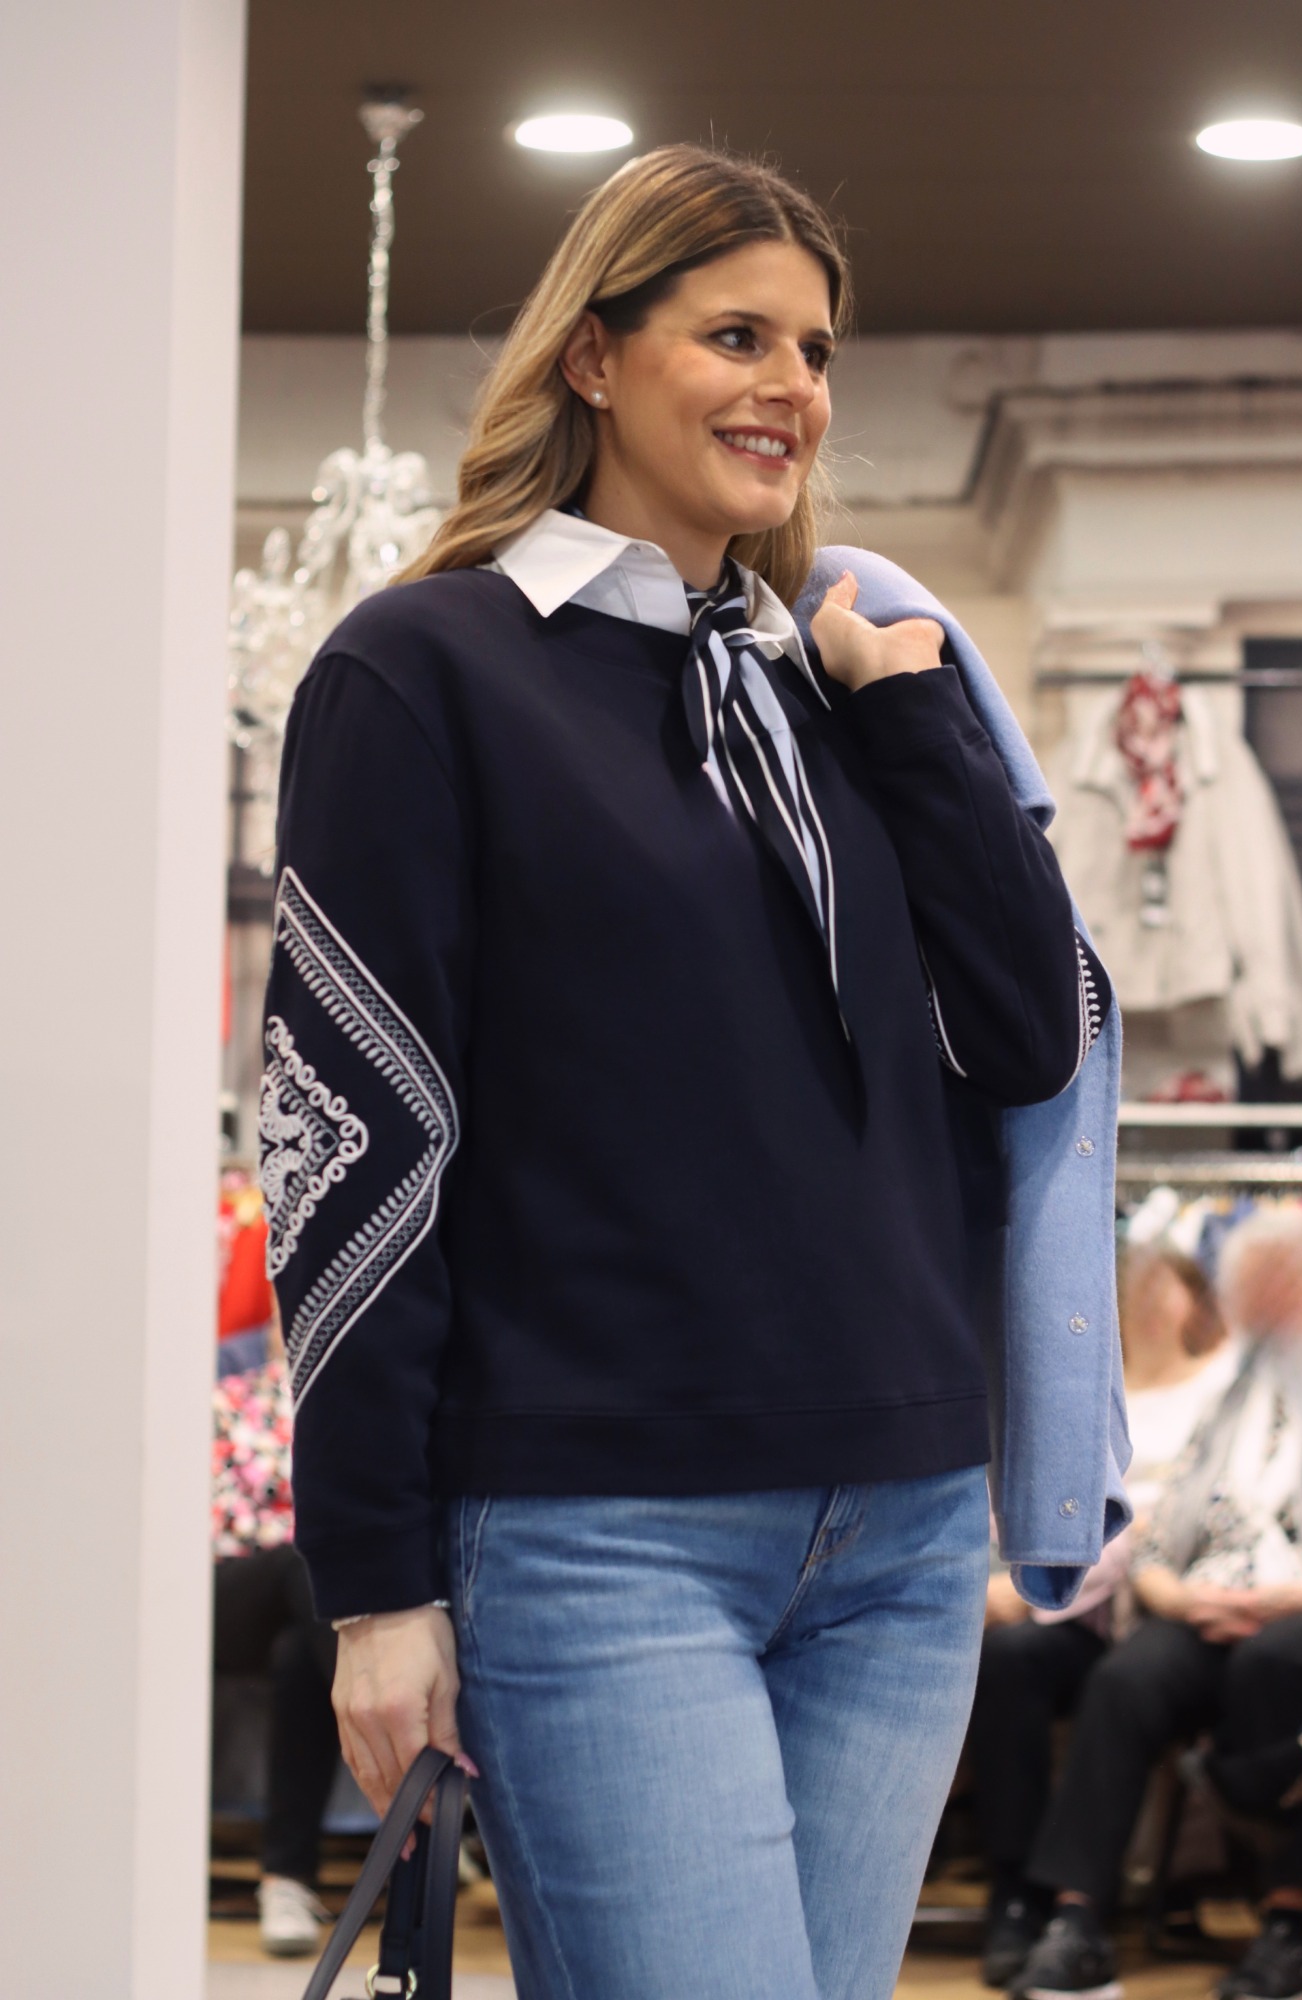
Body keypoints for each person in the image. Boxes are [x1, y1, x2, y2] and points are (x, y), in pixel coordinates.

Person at [260, 144, 1113, 2000]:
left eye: (815, 350)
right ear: (592, 356)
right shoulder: (424, 673)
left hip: (901, 1522)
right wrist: (375, 1586)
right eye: (736, 336)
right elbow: (350, 1155)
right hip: (598, 1531)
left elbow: (1026, 1030)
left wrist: (911, 715)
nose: (791, 387)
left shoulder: (839, 685)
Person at [1011, 1208, 1302, 2000]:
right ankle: (1076, 1918)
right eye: (1255, 1286)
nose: (1267, 1301)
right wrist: (1174, 1594)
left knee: (1273, 1665)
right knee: (1125, 1679)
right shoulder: (1237, 1391)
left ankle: (1285, 1923)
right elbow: (1163, 1527)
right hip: (1207, 1598)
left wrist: (1297, 1595)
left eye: (1284, 1283)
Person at [971, 1245, 1237, 1986]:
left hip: (1163, 1596)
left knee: (1123, 1679)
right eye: (1136, 1286)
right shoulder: (1087, 1381)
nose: (1148, 1301)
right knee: (1008, 1664)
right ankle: (1012, 1892)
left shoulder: (1224, 1385)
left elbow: (1175, 1519)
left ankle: (1074, 1909)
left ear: (1196, 1299)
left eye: (1165, 1287)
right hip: (1086, 1611)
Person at [211, 1344, 341, 1956]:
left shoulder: (352, 1396)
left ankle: (286, 1881)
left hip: (311, 1607)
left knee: (300, 1654)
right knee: (307, 1566)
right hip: (225, 1590)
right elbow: (215, 1517)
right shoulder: (229, 1400)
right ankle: (416, 1759)